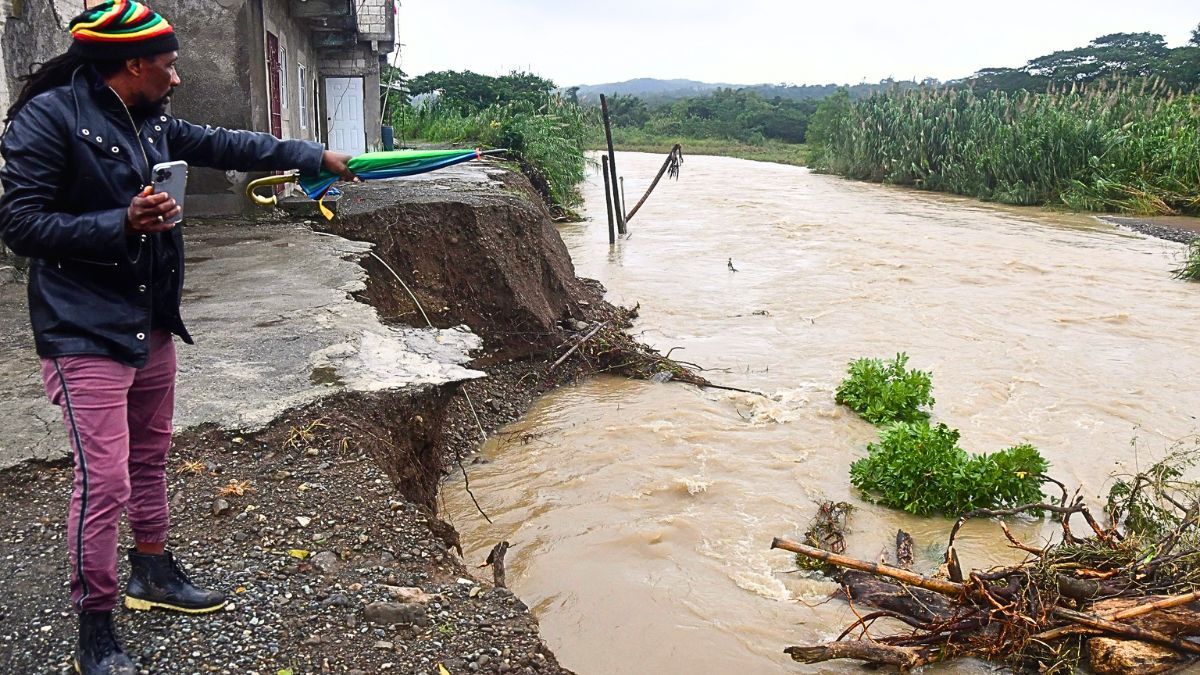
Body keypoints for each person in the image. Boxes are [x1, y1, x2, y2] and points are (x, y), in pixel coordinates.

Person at [0, 2, 354, 673]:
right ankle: (96, 628)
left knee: (150, 455)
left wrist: (315, 154)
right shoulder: (46, 120)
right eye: (168, 64)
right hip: (83, 327)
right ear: (133, 65)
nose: (178, 77)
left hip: (150, 317)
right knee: (102, 482)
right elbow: (20, 224)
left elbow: (230, 144)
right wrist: (123, 221)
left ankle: (153, 571)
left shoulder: (149, 116)